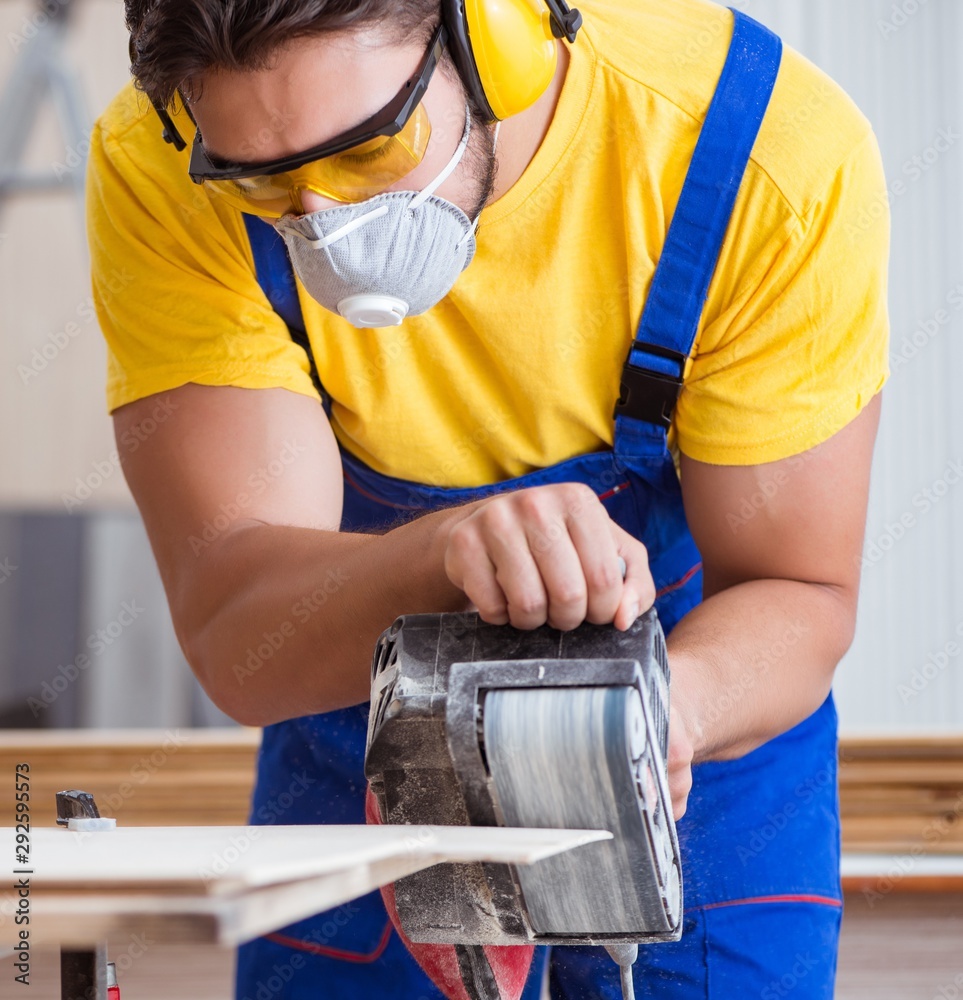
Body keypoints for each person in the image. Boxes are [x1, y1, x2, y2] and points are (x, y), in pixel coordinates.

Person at [86, 0, 889, 995]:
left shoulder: (760, 153)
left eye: (370, 150)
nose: (325, 223)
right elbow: (240, 620)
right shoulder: (168, 158)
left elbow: (797, 593)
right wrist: (437, 554)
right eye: (264, 182)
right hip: (363, 708)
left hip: (698, 733)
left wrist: (653, 722)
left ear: (497, 36)